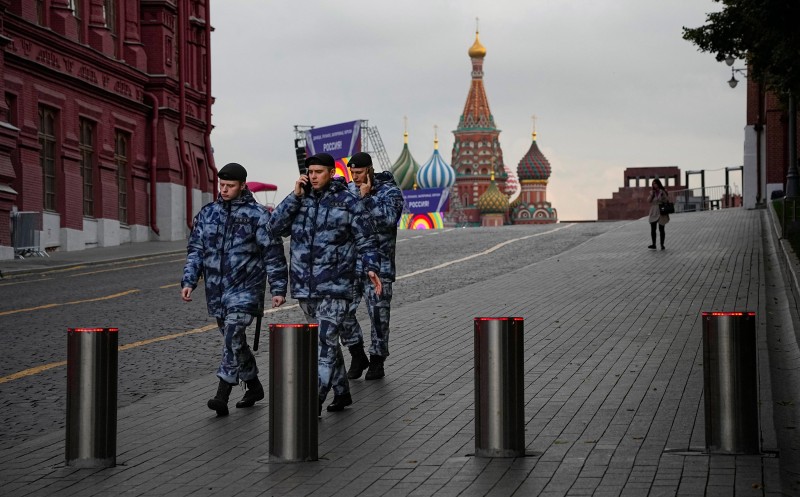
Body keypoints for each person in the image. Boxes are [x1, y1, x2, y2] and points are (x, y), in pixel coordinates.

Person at [270, 152, 382, 416]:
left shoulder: (348, 202)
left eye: (319, 172)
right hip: (305, 287)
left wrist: (371, 268)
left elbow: (366, 238)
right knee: (328, 344)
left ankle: (313, 402)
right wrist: (294, 197)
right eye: (310, 172)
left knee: (324, 343)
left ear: (332, 173)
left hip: (335, 285)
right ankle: (342, 392)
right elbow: (273, 228)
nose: (313, 176)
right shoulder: (299, 200)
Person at [181, 162, 288, 416]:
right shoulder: (208, 214)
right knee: (235, 340)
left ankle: (222, 393)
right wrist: (189, 281)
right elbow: (196, 250)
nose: (225, 189)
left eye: (230, 185)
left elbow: (272, 254)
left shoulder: (258, 216)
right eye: (222, 185)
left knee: (232, 334)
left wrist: (278, 288)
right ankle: (253, 385)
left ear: (242, 186)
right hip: (218, 291)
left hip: (246, 288)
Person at [340, 152, 404, 380]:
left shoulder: (390, 192)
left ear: (369, 169)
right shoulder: (346, 191)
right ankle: (357, 354)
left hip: (379, 265)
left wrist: (367, 198)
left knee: (379, 316)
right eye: (352, 172)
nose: (355, 177)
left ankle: (377, 360)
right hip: (349, 265)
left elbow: (388, 220)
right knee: (342, 313)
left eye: (359, 172)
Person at [647, 178, 670, 250]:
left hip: (661, 211)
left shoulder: (662, 191)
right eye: (653, 184)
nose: (654, 185)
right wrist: (651, 195)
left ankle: (662, 245)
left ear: (658, 184)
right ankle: (654, 244)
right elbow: (648, 201)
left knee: (661, 229)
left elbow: (666, 200)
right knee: (653, 229)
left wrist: (664, 194)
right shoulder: (652, 192)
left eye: (655, 183)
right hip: (653, 211)